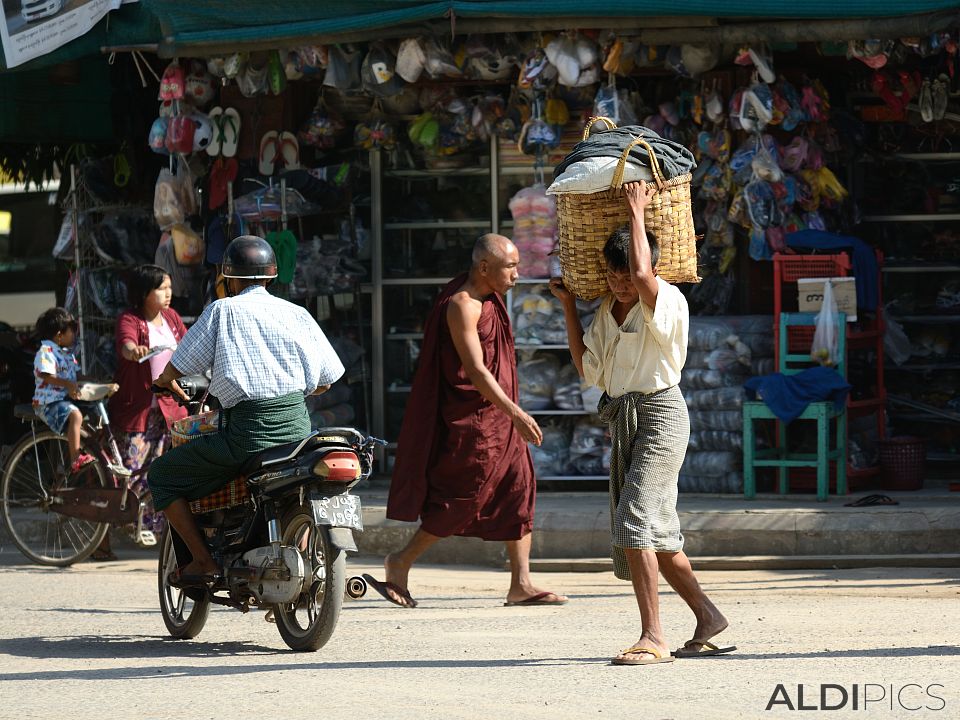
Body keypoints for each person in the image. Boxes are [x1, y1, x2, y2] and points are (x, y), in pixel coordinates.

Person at [550, 181, 731, 665]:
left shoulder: (667, 299)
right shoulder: (607, 313)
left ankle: (653, 636)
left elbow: (645, 272)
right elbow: (588, 367)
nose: (620, 283)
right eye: (613, 276)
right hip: (625, 418)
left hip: (662, 415)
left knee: (634, 520)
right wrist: (569, 305)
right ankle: (708, 616)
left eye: (626, 275)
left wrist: (637, 209)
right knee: (658, 532)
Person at [365, 234, 567, 609]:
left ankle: (521, 583)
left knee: (519, 491)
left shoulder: (490, 299)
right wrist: (517, 413)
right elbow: (476, 371)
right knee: (464, 498)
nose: (517, 275)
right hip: (477, 421)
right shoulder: (463, 305)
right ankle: (401, 560)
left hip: (500, 417)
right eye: (511, 267)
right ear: (484, 267)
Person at [149, 236, 344, 587]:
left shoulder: (223, 310)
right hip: (299, 432)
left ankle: (204, 561)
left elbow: (178, 365)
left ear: (229, 279)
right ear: (270, 277)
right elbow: (327, 380)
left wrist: (164, 381)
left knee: (162, 474)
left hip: (248, 434)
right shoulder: (296, 313)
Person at [108, 265, 189, 546]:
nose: (169, 293)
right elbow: (126, 345)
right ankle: (123, 526)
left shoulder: (171, 317)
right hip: (138, 407)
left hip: (169, 408)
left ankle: (155, 531)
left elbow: (189, 345)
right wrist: (135, 351)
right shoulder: (130, 319)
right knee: (132, 468)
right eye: (162, 288)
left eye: (169, 287)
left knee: (163, 469)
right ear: (144, 293)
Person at [31, 308, 91, 474]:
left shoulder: (67, 355)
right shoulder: (46, 351)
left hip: (63, 400)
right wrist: (68, 384)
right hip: (48, 403)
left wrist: (100, 383)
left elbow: (79, 375)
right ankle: (75, 459)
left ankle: (76, 457)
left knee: (89, 418)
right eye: (72, 330)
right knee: (76, 415)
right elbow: (46, 375)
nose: (74, 335)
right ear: (59, 335)